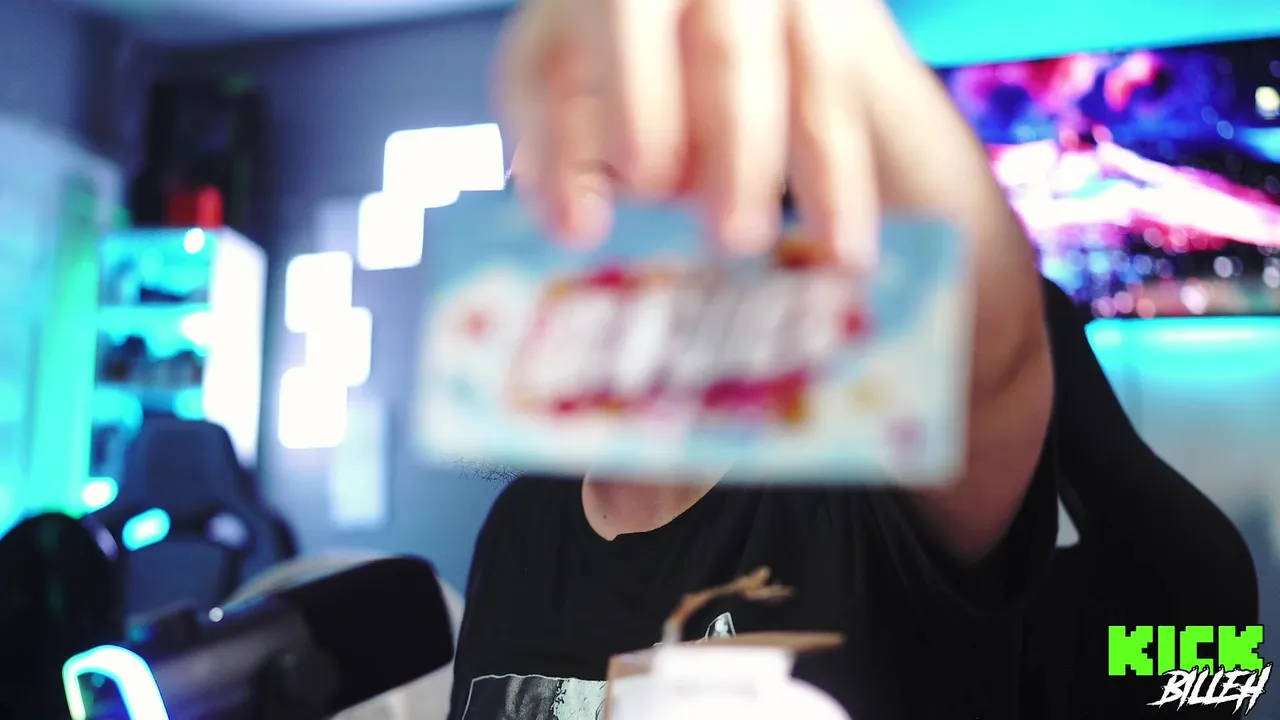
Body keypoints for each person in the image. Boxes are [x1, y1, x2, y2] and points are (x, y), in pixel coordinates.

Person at [447, 0, 1260, 718]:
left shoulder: (863, 495)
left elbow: (992, 337)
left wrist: (824, 28)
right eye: (523, 191)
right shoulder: (520, 528)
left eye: (587, 185)